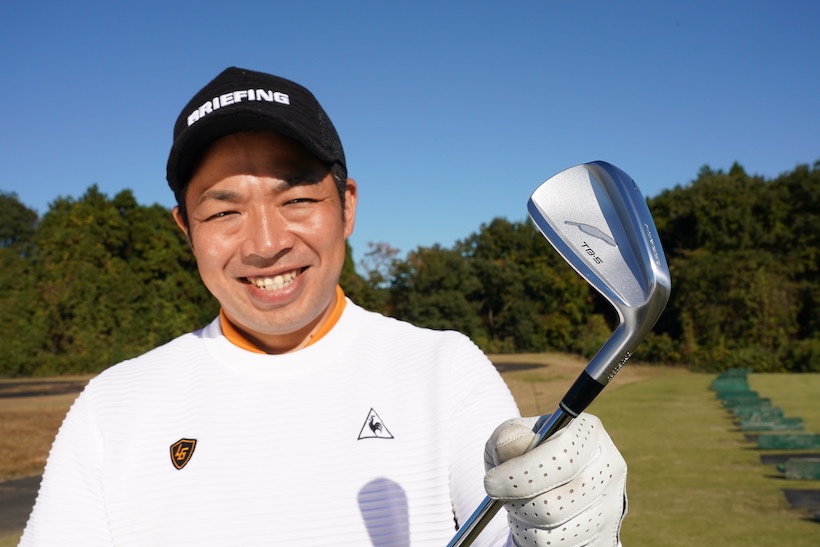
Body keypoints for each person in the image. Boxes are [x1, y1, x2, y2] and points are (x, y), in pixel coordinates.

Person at [20, 67, 627, 546]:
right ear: (186, 229)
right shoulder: (111, 404)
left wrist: (573, 531)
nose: (265, 244)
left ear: (347, 206)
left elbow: (511, 536)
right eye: (224, 211)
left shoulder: (443, 368)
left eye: (297, 200)